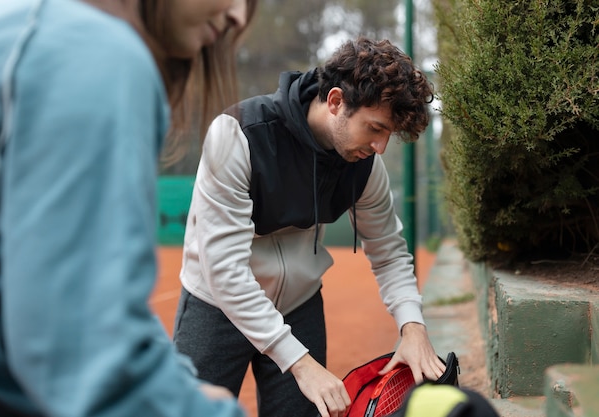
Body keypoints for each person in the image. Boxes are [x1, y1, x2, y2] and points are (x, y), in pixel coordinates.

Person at [0, 0, 255, 416]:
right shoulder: (94, 54)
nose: (239, 17)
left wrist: (174, 385)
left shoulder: (10, 21)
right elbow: (81, 356)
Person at [173, 37, 446, 417]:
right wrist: (299, 363)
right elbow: (226, 271)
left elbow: (388, 250)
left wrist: (412, 327)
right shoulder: (238, 134)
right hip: (216, 304)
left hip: (298, 305)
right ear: (335, 101)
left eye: (389, 135)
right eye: (375, 128)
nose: (381, 147)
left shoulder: (366, 166)